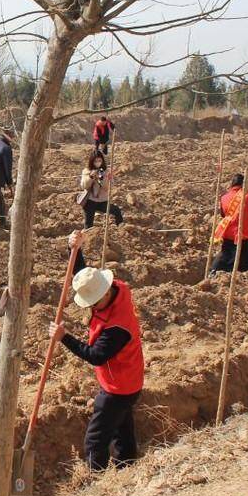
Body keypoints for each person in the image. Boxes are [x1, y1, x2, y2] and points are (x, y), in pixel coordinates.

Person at [48, 258, 144, 471]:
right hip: (130, 378)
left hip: (118, 387)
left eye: (94, 302)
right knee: (122, 428)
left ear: (106, 294)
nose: (91, 306)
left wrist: (64, 337)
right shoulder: (118, 289)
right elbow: (88, 276)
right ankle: (127, 467)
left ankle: (95, 479)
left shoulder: (117, 327)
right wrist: (75, 248)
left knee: (95, 439)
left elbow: (96, 356)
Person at [79, 151, 124, 229]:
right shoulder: (87, 171)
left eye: (99, 161)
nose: (97, 163)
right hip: (90, 201)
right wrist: (90, 177)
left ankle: (121, 229)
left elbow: (108, 187)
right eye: (95, 161)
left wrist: (104, 178)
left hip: (102, 201)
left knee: (116, 211)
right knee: (88, 225)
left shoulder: (106, 172)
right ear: (92, 161)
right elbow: (84, 186)